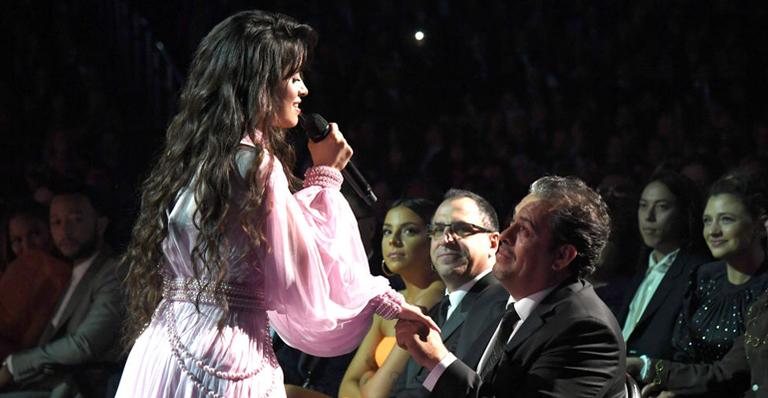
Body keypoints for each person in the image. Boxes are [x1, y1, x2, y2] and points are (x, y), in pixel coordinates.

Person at [114, 10, 435, 398]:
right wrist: (327, 175)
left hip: (163, 351)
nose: (304, 91)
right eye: (294, 77)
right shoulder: (256, 164)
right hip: (224, 359)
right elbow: (304, 274)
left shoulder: (193, 159)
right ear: (260, 84)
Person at [396, 175, 626, 398]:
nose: (505, 235)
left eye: (524, 230)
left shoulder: (585, 331)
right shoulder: (492, 298)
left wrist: (438, 362)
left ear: (562, 256)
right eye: (511, 222)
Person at [0, 189, 124, 397]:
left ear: (100, 225)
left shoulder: (113, 271)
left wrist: (14, 366)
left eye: (75, 220)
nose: (65, 231)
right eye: (56, 222)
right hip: (41, 382)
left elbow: (85, 344)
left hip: (77, 387)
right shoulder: (63, 273)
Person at [388, 189, 504, 398]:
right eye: (438, 230)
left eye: (461, 229)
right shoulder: (433, 312)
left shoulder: (506, 306)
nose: (446, 239)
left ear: (493, 242)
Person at [339, 198, 444, 398]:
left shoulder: (434, 295)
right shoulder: (392, 301)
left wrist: (367, 379)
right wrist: (363, 380)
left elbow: (377, 393)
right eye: (387, 231)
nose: (393, 240)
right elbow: (348, 383)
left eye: (409, 231)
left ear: (433, 239)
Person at [617, 170, 710, 360]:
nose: (648, 216)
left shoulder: (699, 272)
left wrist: (653, 374)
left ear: (685, 213)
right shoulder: (642, 267)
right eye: (643, 206)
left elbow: (691, 357)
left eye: (662, 207)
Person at [0, 204, 71, 359]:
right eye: (17, 240)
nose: (27, 246)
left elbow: (26, 348)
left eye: (34, 234)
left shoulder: (56, 275)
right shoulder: (9, 272)